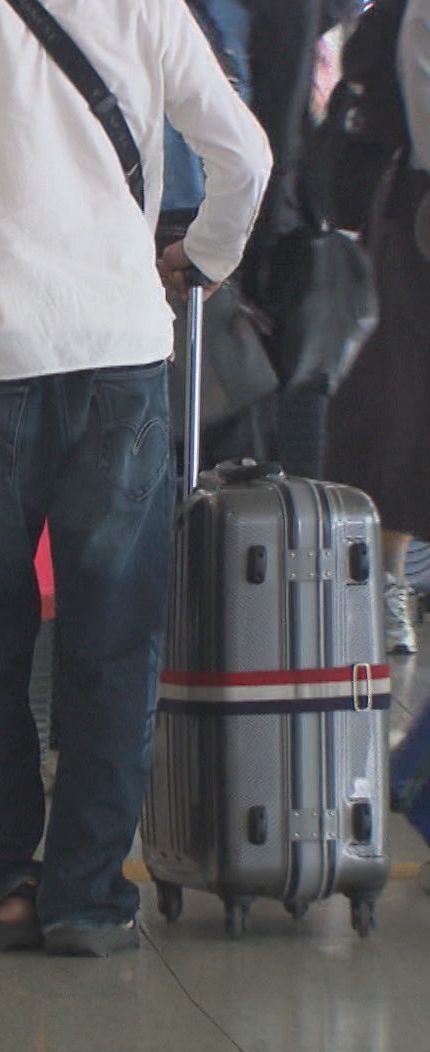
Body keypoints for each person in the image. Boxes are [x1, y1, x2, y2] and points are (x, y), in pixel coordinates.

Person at [0, 0, 271, 956]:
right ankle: (84, 897)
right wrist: (201, 260)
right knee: (114, 638)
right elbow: (245, 156)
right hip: (117, 354)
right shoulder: (146, 7)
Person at [325, 0, 430, 656]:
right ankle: (387, 585)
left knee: (398, 407)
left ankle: (389, 587)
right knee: (396, 413)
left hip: (408, 218)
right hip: (415, 217)